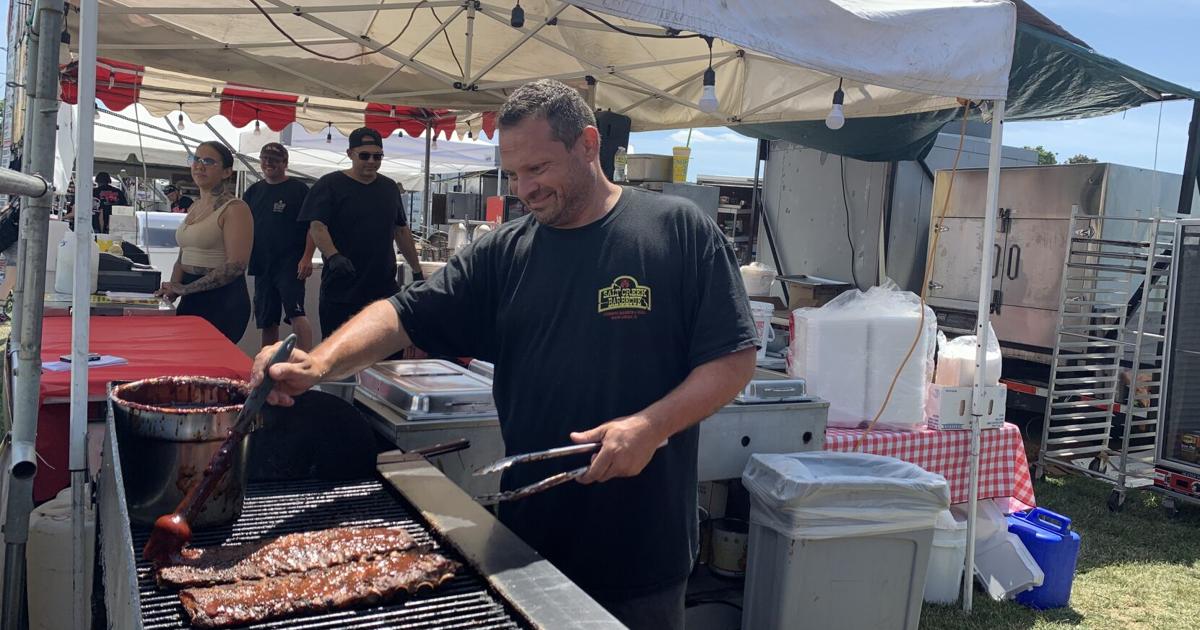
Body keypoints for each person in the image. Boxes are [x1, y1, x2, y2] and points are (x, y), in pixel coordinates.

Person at [253, 80, 758, 629]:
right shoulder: (504, 251)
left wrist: (650, 425)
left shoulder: (677, 230)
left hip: (641, 550)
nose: (524, 190)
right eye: (514, 174)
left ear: (588, 144)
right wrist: (319, 363)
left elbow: (733, 359)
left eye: (537, 169)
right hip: (528, 537)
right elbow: (402, 313)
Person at [298, 127, 423, 339]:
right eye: (365, 156)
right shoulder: (329, 185)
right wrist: (333, 255)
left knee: (386, 352)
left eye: (377, 156)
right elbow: (317, 226)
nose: (371, 161)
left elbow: (401, 231)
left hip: (383, 289)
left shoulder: (389, 188)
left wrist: (417, 271)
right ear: (350, 154)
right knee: (338, 352)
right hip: (342, 290)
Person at [156, 141, 253, 343]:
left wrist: (184, 289)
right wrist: (173, 288)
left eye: (208, 161)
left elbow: (236, 265)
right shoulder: (195, 207)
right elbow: (183, 255)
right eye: (196, 159)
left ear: (226, 172)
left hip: (223, 301)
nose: (199, 166)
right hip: (191, 298)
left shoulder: (235, 208)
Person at [244, 142, 316, 351]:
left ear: (285, 163)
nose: (269, 163)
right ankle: (268, 364)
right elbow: (243, 226)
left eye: (274, 160)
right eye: (265, 158)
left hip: (291, 264)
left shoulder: (299, 190)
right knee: (267, 319)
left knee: (296, 313)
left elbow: (313, 226)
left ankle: (306, 361)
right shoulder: (254, 191)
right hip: (262, 265)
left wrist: (307, 257)